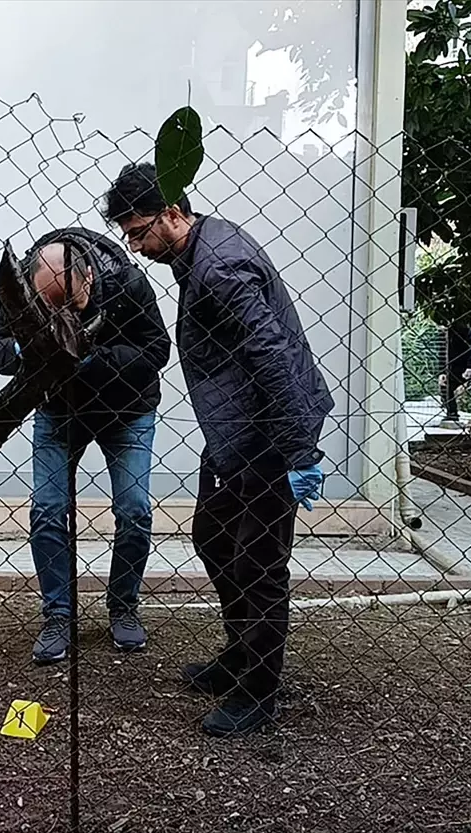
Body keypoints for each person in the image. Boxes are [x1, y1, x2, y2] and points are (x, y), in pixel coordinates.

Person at [102, 162, 334, 737]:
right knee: (212, 534)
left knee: (258, 563)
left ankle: (257, 694)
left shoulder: (219, 266)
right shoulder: (202, 246)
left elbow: (269, 353)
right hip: (238, 429)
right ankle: (240, 655)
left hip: (267, 432)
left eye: (138, 233)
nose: (135, 247)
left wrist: (298, 451)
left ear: (174, 214)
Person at [0, 227, 170, 664]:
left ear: (88, 279)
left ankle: (123, 606)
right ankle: (58, 615)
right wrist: (32, 351)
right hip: (57, 413)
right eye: (49, 305)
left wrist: (89, 360)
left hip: (127, 412)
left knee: (134, 509)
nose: (59, 313)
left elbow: (157, 350)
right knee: (48, 509)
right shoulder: (21, 286)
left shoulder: (127, 283)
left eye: (69, 303)